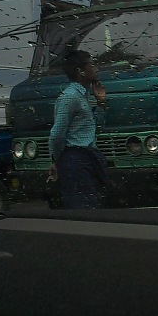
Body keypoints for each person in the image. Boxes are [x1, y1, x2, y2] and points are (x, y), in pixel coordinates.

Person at [48, 50, 110, 209]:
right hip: (76, 161)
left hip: (88, 159)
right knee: (83, 210)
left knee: (93, 206)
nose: (96, 69)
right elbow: (56, 135)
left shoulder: (84, 96)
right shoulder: (70, 97)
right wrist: (58, 162)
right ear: (80, 71)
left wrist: (101, 102)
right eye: (92, 64)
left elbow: (95, 127)